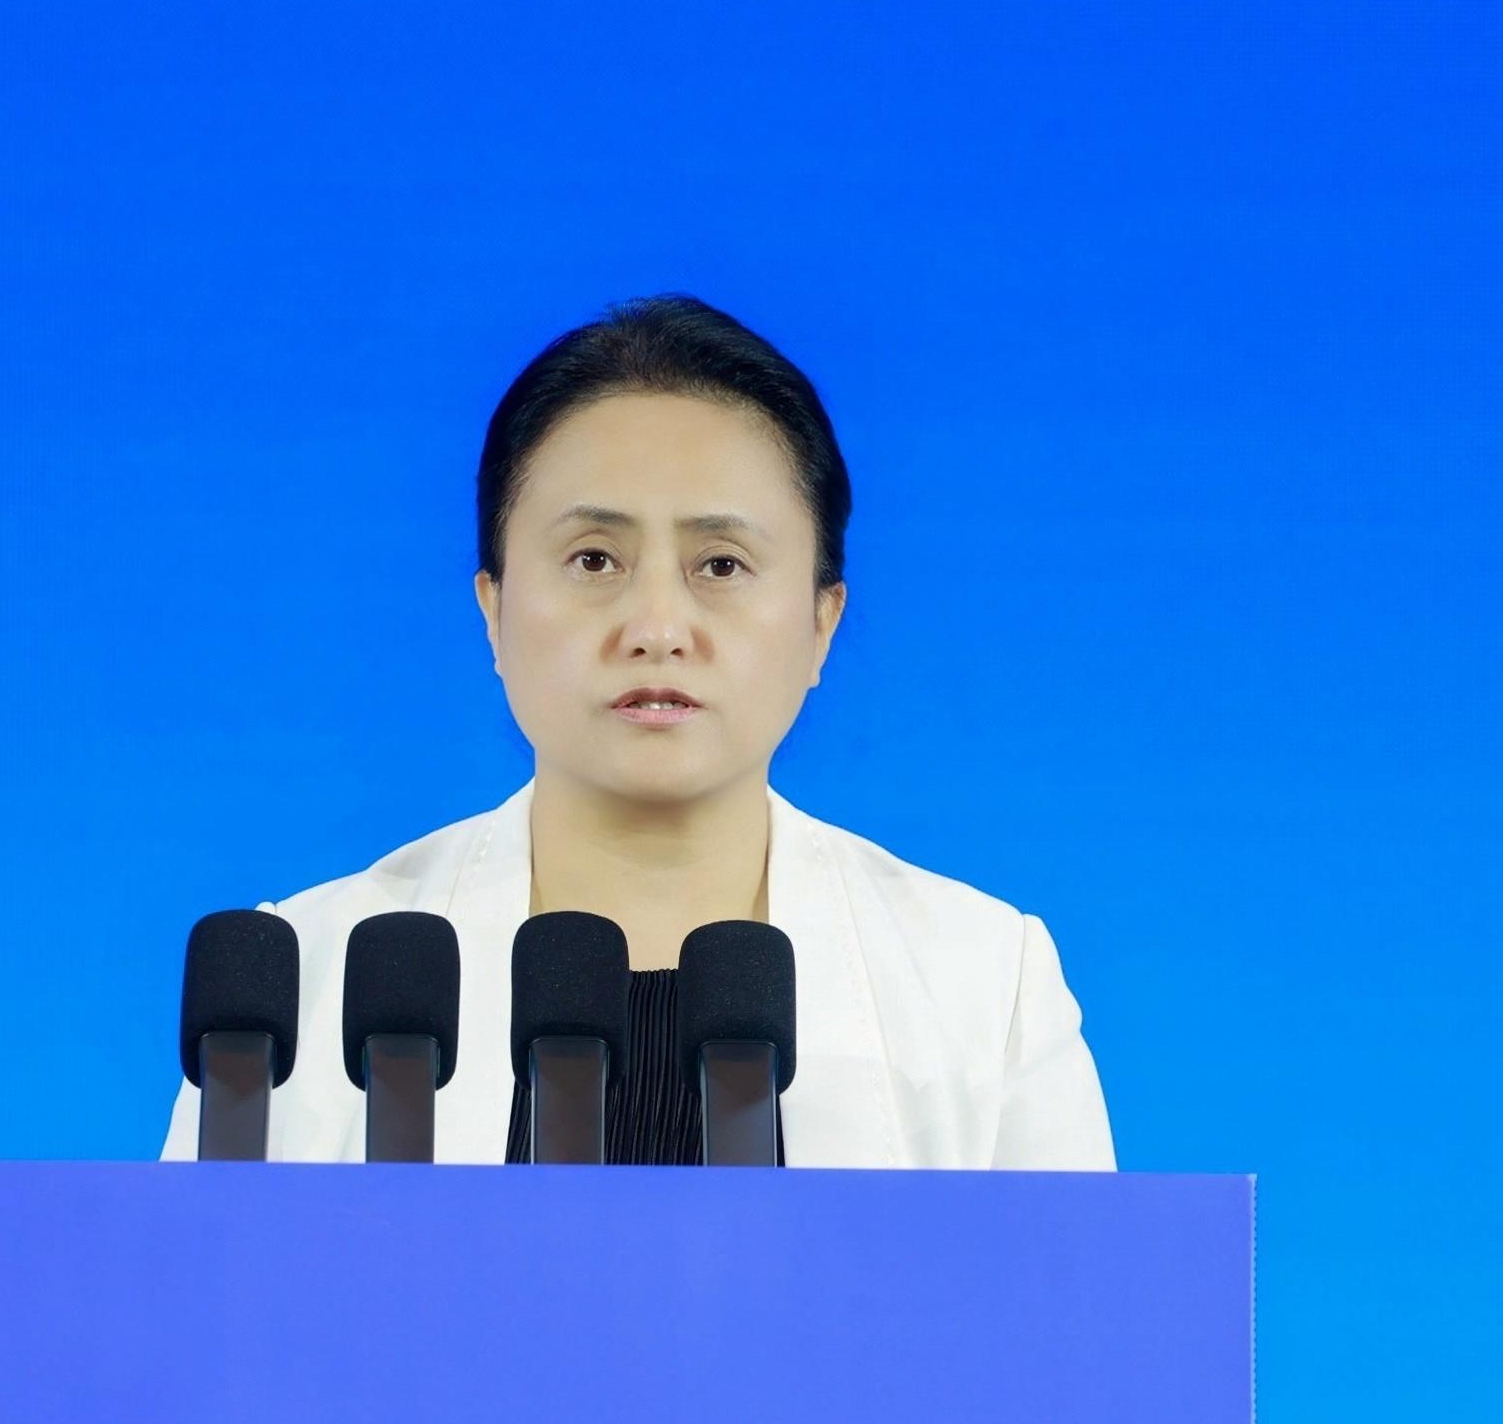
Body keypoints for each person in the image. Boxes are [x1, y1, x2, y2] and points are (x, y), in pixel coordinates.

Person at [160, 295, 1113, 1168]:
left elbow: (1078, 1303)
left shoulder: (981, 983)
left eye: (721, 565)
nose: (657, 627)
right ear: (493, 609)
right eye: (594, 559)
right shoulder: (302, 981)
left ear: (822, 622)